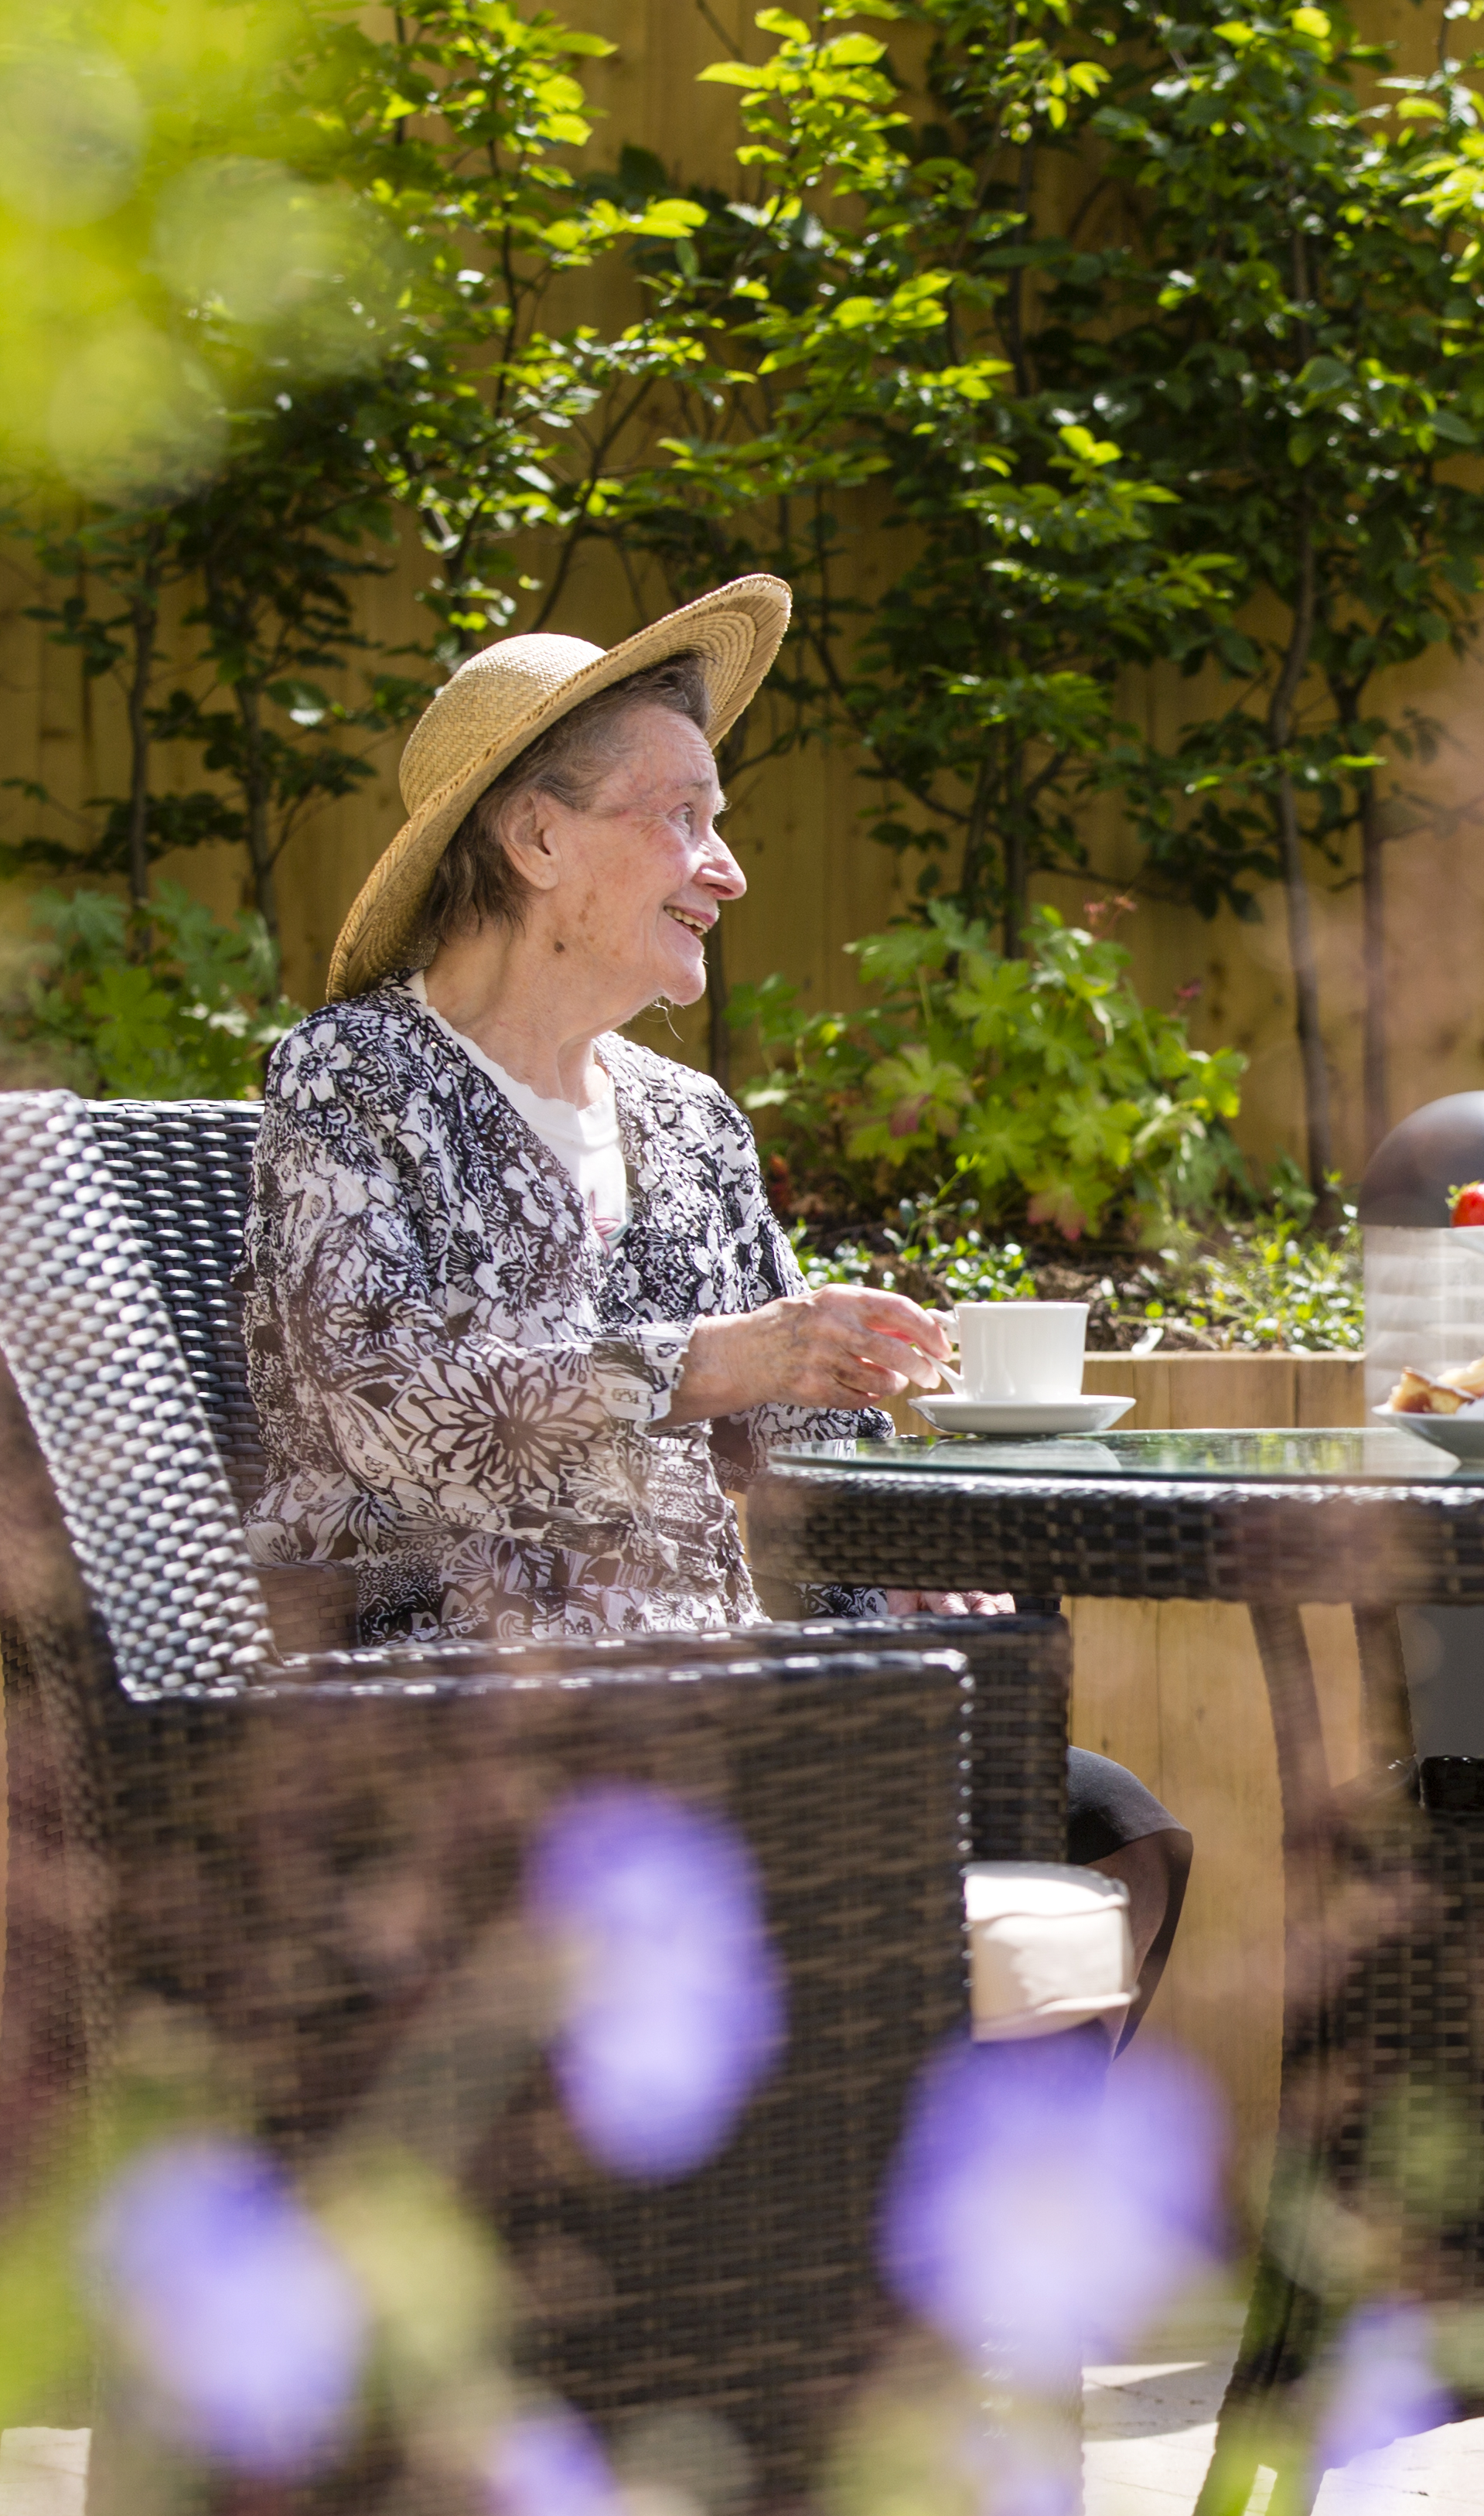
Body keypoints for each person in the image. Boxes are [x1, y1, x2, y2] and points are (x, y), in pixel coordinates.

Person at [244, 577, 1189, 2013]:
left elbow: (786, 1439)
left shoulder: (690, 1122)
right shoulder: (353, 1084)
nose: (726, 865)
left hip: (714, 1693)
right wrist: (716, 1363)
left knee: (1106, 1826)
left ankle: (876, 2224)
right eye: (681, 816)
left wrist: (893, 1527)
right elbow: (384, 1406)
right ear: (538, 836)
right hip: (451, 1709)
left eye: (720, 817)